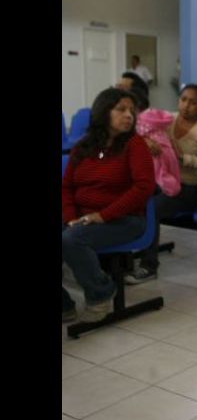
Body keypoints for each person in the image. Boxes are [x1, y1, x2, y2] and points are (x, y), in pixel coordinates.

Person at [62, 88, 155, 322]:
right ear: (104, 112)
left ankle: (100, 292)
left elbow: (144, 188)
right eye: (121, 110)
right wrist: (70, 218)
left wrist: (103, 215)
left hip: (126, 220)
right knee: (72, 233)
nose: (129, 116)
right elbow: (66, 188)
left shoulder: (135, 145)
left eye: (132, 111)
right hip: (83, 219)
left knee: (72, 239)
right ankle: (64, 305)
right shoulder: (83, 147)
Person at [127, 84, 197, 284]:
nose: (186, 105)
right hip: (160, 181)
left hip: (188, 188)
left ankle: (149, 265)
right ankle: (123, 259)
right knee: (131, 198)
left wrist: (184, 158)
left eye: (193, 102)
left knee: (151, 208)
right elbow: (139, 129)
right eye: (183, 99)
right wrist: (145, 142)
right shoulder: (166, 120)